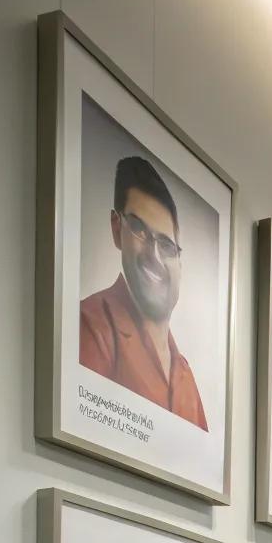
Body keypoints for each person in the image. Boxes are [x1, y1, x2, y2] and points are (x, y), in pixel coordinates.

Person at [80, 155, 208, 429]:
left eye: (166, 245)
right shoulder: (92, 326)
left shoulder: (185, 374)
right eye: (139, 230)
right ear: (117, 229)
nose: (154, 256)